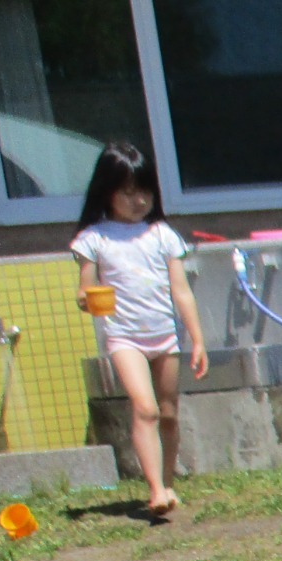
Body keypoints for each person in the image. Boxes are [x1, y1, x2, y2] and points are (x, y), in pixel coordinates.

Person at [71, 142, 208, 519]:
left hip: (165, 335)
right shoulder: (94, 239)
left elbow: (181, 292)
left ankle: (167, 483)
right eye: (128, 192)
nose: (138, 200)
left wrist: (197, 339)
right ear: (107, 192)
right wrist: (86, 300)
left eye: (144, 191)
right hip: (124, 337)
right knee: (145, 409)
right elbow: (85, 289)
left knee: (168, 413)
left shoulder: (162, 234)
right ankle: (155, 489)